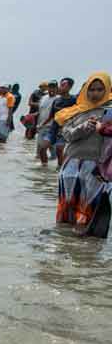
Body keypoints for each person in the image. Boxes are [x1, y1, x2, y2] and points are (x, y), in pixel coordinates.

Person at [55, 72, 112, 236]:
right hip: (71, 164)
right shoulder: (76, 111)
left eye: (100, 89)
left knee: (90, 207)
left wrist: (102, 128)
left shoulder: (109, 112)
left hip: (96, 165)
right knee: (67, 206)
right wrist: (84, 127)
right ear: (85, 90)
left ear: (107, 89)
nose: (95, 93)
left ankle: (86, 250)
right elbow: (67, 134)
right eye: (92, 89)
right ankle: (65, 242)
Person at [49, 78, 77, 166]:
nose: (60, 87)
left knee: (60, 148)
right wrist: (42, 125)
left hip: (67, 129)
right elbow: (52, 116)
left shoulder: (74, 100)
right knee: (46, 147)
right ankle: (52, 167)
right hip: (54, 128)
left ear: (70, 87)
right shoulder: (56, 100)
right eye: (60, 85)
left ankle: (61, 168)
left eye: (63, 85)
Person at [35, 81, 59, 165]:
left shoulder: (59, 99)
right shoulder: (43, 98)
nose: (52, 89)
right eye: (50, 87)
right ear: (47, 88)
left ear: (57, 88)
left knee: (54, 151)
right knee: (39, 150)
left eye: (54, 87)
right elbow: (40, 111)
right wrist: (37, 124)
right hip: (41, 126)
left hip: (53, 128)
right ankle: (43, 169)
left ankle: (53, 170)